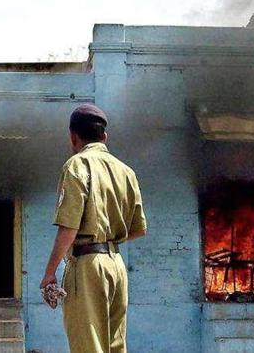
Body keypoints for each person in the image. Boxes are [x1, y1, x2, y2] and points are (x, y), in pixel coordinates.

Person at [40, 104, 147, 353]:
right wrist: (108, 240)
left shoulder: (76, 166)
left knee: (88, 347)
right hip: (116, 266)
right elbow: (139, 228)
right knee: (114, 346)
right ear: (104, 136)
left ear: (73, 137)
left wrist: (49, 274)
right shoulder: (126, 172)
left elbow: (69, 227)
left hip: (87, 266)